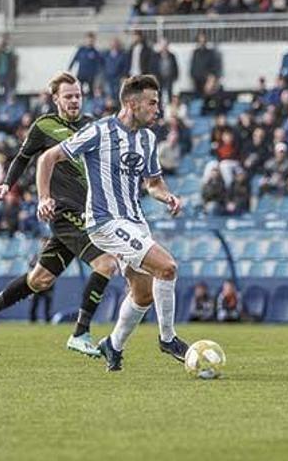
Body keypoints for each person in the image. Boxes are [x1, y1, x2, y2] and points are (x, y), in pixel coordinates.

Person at [36, 74, 189, 371]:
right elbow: (48, 158)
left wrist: (166, 196)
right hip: (105, 222)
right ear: (132, 103)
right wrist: (44, 197)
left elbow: (153, 183)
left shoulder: (148, 138)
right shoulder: (100, 131)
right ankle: (168, 338)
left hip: (135, 221)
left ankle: (113, 345)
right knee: (168, 267)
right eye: (152, 103)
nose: (158, 109)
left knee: (143, 293)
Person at [0, 72, 118, 356]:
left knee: (40, 280)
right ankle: (81, 333)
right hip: (63, 210)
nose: (75, 101)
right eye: (69, 96)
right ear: (56, 99)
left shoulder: (91, 125)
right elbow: (23, 158)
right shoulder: (44, 126)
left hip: (88, 212)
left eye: (78, 96)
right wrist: (6, 185)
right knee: (106, 263)